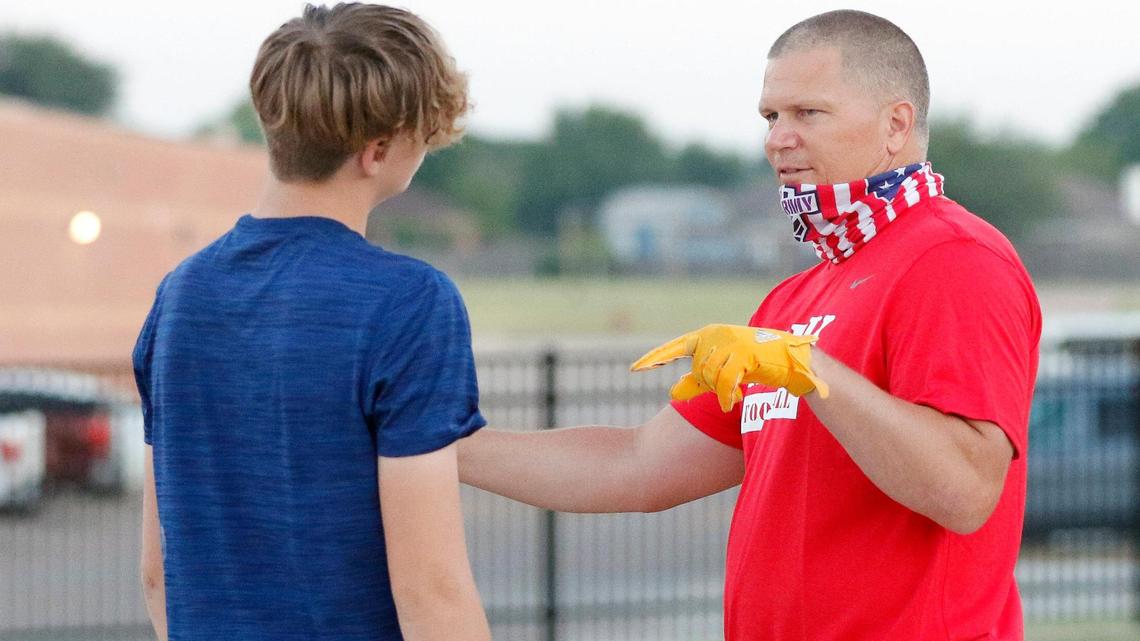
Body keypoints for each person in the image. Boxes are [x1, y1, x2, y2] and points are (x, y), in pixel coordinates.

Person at [459, 9, 1040, 641]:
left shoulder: (953, 259)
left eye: (807, 114)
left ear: (896, 124)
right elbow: (639, 464)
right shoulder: (794, 296)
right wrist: (438, 448)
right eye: (770, 117)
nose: (777, 139)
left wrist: (809, 367)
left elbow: (964, 491)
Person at [133, 4, 491, 640]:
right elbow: (432, 595)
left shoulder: (180, 295)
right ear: (377, 150)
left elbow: (158, 571)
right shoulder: (408, 303)